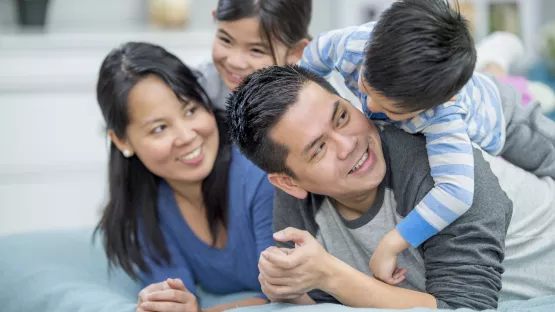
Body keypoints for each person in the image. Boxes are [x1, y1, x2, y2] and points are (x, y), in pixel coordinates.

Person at [226, 65, 555, 310]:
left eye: (341, 117)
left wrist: (328, 275)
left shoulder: (440, 172)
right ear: (288, 181)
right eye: (319, 149)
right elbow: (330, 299)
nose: (348, 144)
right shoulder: (299, 202)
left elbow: (464, 308)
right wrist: (293, 287)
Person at [299, 0, 555, 285]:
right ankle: (492, 58)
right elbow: (311, 59)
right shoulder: (352, 45)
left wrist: (393, 242)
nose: (369, 107)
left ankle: (499, 56)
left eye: (391, 110)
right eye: (365, 87)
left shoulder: (443, 116)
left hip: (502, 114)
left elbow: (455, 193)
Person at [94, 42, 275, 312]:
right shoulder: (145, 210)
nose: (187, 136)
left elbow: (290, 296)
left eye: (190, 110)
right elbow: (176, 300)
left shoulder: (260, 173)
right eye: (159, 128)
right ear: (122, 141)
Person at [197, 0, 312, 110]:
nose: (235, 62)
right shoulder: (200, 86)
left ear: (296, 52)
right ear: (215, 18)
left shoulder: (310, 105)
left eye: (257, 50)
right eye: (226, 40)